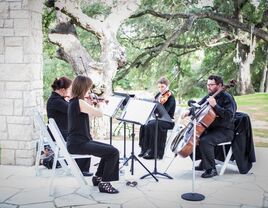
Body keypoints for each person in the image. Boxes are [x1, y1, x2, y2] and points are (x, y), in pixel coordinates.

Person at [66, 75, 119, 194]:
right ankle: (105, 183)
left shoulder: (74, 101)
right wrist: (100, 104)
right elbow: (99, 114)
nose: (89, 91)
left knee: (110, 150)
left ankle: (98, 177)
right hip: (79, 144)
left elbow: (87, 110)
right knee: (113, 152)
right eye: (88, 88)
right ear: (83, 88)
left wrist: (90, 103)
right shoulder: (80, 102)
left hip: (78, 142)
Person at [181, 75, 237, 178]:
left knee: (205, 140)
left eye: (211, 85)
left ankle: (211, 169)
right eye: (207, 84)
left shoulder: (227, 98)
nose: (208, 87)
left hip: (225, 131)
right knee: (194, 137)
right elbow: (198, 106)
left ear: (220, 85)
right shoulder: (209, 96)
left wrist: (215, 105)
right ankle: (204, 162)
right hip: (211, 129)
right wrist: (189, 111)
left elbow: (229, 116)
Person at [46, 77, 92, 176]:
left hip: (59, 130)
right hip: (58, 132)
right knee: (83, 137)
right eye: (69, 89)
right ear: (62, 90)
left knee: (83, 135)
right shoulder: (56, 101)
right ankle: (82, 169)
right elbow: (74, 109)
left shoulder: (56, 99)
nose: (71, 91)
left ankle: (81, 167)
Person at [139, 77, 176, 160]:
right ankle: (144, 149)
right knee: (144, 124)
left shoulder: (170, 97)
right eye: (159, 87)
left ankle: (155, 152)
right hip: (158, 119)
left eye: (162, 87)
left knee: (152, 125)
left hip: (168, 121)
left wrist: (159, 105)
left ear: (167, 86)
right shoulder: (158, 95)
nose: (160, 89)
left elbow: (165, 112)